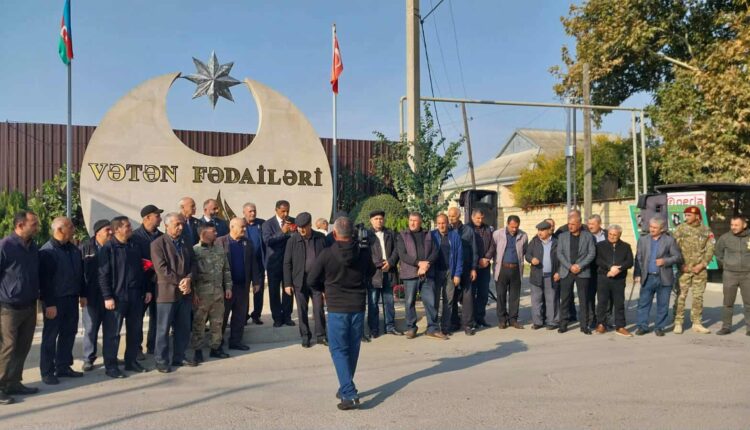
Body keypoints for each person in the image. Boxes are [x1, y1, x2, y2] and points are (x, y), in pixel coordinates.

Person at [308, 217, 375, 410]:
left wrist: (324, 289)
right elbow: (371, 272)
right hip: (357, 305)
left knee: (338, 350)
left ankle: (349, 393)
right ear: (352, 233)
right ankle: (346, 385)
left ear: (335, 233)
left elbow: (311, 279)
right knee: (352, 348)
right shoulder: (363, 252)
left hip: (337, 307)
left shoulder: (327, 254)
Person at [99, 216, 152, 378]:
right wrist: (107, 296)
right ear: (117, 230)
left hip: (135, 295)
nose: (131, 229)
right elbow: (103, 275)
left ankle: (131, 361)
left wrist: (147, 290)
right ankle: (111, 366)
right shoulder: (108, 248)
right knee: (113, 333)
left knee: (135, 330)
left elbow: (143, 270)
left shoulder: (134, 245)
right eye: (127, 226)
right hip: (117, 296)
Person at [39, 217, 86, 385]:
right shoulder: (47, 251)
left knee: (69, 333)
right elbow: (44, 282)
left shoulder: (73, 250)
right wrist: (49, 304)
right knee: (50, 337)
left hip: (71, 298)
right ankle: (47, 371)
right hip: (55, 301)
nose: (73, 229)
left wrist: (83, 294)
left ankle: (63, 366)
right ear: (59, 230)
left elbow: (80, 274)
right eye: (70, 227)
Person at [0, 211, 41, 404]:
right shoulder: (5, 246)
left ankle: (13, 382)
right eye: (33, 224)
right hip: (8, 308)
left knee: (23, 346)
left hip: (29, 305)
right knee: (7, 347)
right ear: (20, 225)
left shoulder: (33, 247)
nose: (37, 227)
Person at [151, 213, 197, 372]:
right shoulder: (157, 244)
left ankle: (179, 356)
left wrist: (189, 279)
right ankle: (161, 360)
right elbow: (162, 269)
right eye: (177, 224)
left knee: (183, 327)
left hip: (185, 292)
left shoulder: (186, 241)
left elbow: (193, 263)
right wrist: (181, 282)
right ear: (166, 226)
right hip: (167, 293)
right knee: (163, 329)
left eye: (182, 224)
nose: (181, 227)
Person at [217, 218, 262, 351]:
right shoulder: (220, 242)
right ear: (232, 227)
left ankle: (236, 341)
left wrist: (256, 281)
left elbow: (253, 263)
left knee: (239, 316)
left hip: (242, 286)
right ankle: (217, 343)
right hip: (225, 288)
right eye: (242, 227)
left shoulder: (247, 243)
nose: (244, 229)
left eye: (245, 227)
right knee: (222, 316)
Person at [283, 212, 327, 348]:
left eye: (303, 227)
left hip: (317, 281)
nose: (301, 229)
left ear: (310, 225)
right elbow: (287, 263)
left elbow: (327, 260)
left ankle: (321, 335)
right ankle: (305, 336)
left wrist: (327, 282)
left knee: (318, 309)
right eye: (299, 227)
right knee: (302, 311)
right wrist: (287, 283)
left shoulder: (320, 238)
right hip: (300, 281)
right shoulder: (292, 240)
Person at [633, 217, 683, 337]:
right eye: (651, 227)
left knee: (663, 304)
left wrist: (665, 261)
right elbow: (638, 258)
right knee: (643, 304)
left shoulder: (669, 240)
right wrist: (637, 274)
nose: (652, 229)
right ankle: (642, 326)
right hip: (648, 277)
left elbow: (678, 257)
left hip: (664, 278)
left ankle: (659, 327)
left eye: (655, 228)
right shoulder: (643, 240)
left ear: (662, 229)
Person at [396, 212, 443, 339]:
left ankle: (432, 328)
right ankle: (411, 328)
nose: (412, 223)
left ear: (420, 222)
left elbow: (435, 251)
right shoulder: (402, 235)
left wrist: (427, 264)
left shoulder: (428, 234)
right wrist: (419, 263)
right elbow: (403, 255)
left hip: (427, 273)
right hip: (410, 274)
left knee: (430, 301)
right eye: (410, 220)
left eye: (415, 220)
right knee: (409, 302)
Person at [191, 223, 232, 362]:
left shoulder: (220, 249)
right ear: (203, 233)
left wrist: (228, 287)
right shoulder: (195, 251)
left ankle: (216, 347)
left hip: (218, 293)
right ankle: (197, 350)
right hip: (202, 295)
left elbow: (226, 270)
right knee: (199, 323)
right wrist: (194, 293)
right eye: (213, 231)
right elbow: (191, 274)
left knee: (217, 322)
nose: (216, 233)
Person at [672, 206, 715, 334]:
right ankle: (678, 322)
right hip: (684, 269)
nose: (686, 217)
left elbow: (710, 249)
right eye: (685, 215)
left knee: (698, 297)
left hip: (699, 270)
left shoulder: (706, 230)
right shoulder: (680, 229)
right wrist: (680, 265)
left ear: (697, 216)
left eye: (689, 215)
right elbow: (673, 248)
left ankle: (697, 323)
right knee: (681, 296)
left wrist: (702, 264)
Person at [80, 219, 113, 371]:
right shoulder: (85, 247)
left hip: (109, 295)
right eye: (107, 230)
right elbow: (80, 273)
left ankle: (110, 357)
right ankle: (88, 358)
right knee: (91, 328)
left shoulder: (112, 247)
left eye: (111, 229)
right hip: (91, 296)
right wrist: (82, 294)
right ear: (98, 232)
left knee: (110, 328)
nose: (111, 232)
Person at [556, 213, 597, 334]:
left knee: (584, 300)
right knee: (565, 299)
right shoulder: (562, 236)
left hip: (582, 271)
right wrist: (570, 266)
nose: (570, 226)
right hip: (566, 271)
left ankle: (584, 326)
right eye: (569, 224)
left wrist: (580, 266)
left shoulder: (588, 236)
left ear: (579, 224)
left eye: (573, 224)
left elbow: (591, 253)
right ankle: (563, 324)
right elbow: (559, 253)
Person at [132, 204, 163, 358]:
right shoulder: (135, 237)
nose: (160, 219)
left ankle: (153, 345)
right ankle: (136, 348)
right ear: (147, 218)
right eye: (157, 216)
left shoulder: (162, 237)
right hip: (142, 283)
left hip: (159, 283)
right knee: (137, 317)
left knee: (157, 317)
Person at [366, 209, 401, 337]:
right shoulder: (366, 235)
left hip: (389, 272)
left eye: (381, 219)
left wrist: (390, 262)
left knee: (389, 302)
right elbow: (365, 253)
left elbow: (397, 250)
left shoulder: (390, 233)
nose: (379, 221)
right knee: (373, 303)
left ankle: (390, 326)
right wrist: (379, 264)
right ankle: (374, 328)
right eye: (376, 219)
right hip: (374, 274)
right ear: (371, 221)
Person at [594, 225, 634, 337]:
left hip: (619, 279)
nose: (612, 236)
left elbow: (630, 262)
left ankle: (620, 326)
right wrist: (609, 267)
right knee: (602, 302)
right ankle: (601, 324)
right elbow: (597, 260)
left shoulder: (626, 246)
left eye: (615, 235)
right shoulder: (600, 245)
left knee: (619, 303)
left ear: (620, 235)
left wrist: (619, 269)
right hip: (603, 277)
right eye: (610, 234)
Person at [262, 200, 296, 327]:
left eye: (287, 211)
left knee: (288, 290)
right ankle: (277, 318)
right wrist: (282, 231)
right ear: (276, 210)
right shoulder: (267, 224)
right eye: (283, 211)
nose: (286, 214)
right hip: (274, 264)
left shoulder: (293, 221)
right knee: (274, 292)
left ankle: (287, 316)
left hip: (289, 263)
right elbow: (268, 241)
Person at [714, 216, 750, 336]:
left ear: (744, 225)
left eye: (736, 225)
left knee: (749, 302)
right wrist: (725, 264)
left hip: (748, 275)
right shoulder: (725, 238)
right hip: (730, 274)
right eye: (732, 225)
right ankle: (726, 327)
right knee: (728, 302)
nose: (733, 227)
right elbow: (718, 253)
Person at [493, 215, 528, 329]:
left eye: (516, 227)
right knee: (501, 295)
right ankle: (502, 320)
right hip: (502, 269)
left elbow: (525, 251)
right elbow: (492, 249)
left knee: (514, 296)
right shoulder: (497, 234)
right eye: (512, 227)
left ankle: (513, 320)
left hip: (516, 269)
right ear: (507, 224)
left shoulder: (523, 236)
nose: (514, 229)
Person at [430, 214, 463, 335]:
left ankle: (445, 327)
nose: (441, 226)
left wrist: (457, 274)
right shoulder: (432, 235)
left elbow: (459, 256)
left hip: (450, 272)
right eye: (439, 223)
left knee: (448, 300)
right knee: (434, 301)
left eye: (443, 223)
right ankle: (434, 327)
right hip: (435, 272)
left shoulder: (454, 236)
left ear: (447, 223)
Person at [447, 207, 477, 336]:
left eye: (453, 216)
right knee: (452, 296)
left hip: (466, 267)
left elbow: (474, 250)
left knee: (467, 297)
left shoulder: (468, 230)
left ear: (459, 216)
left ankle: (468, 324)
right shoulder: (446, 230)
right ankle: (454, 322)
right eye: (449, 216)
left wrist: (473, 268)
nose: (451, 218)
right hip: (452, 268)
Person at [525, 220, 560, 330]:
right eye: (538, 230)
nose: (539, 232)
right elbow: (527, 254)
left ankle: (552, 322)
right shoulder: (534, 241)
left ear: (549, 230)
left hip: (551, 276)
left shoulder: (557, 242)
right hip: (537, 275)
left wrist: (559, 272)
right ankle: (537, 322)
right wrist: (531, 259)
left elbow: (562, 259)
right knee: (536, 300)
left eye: (542, 230)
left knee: (551, 300)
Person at [470, 209, 495, 328]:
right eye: (478, 218)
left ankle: (480, 318)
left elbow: (493, 245)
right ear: (472, 217)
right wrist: (476, 261)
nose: (480, 220)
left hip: (485, 266)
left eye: (481, 218)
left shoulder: (488, 229)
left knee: (483, 293)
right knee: (470, 294)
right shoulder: (467, 229)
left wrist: (487, 258)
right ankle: (471, 319)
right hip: (472, 267)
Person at [242, 202, 266, 325]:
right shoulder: (240, 224)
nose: (253, 213)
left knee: (259, 291)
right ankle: (243, 315)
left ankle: (256, 315)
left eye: (254, 210)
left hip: (259, 264)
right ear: (244, 212)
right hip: (244, 265)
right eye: (250, 211)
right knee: (244, 291)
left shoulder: (262, 224)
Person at [587, 214, 607, 329]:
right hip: (590, 270)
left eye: (593, 224)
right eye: (589, 224)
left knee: (604, 297)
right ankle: (592, 319)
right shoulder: (586, 235)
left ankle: (603, 320)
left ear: (599, 224)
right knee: (590, 296)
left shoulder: (608, 234)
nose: (590, 226)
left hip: (604, 271)